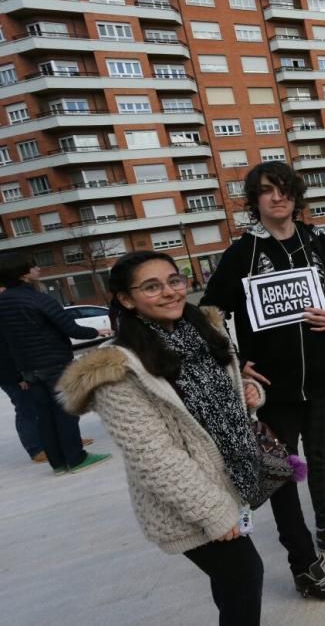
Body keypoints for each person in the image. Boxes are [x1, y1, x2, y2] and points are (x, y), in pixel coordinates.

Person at [58, 251, 270, 625]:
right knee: (244, 574)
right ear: (126, 299)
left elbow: (221, 402)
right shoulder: (118, 369)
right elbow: (152, 457)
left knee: (231, 580)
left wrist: (250, 392)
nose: (170, 292)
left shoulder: (204, 331)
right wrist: (213, 512)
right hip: (186, 501)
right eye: (151, 287)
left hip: (230, 481)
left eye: (174, 280)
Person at [200, 161, 325, 600]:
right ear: (254, 201)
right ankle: (304, 565)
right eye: (267, 191)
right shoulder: (242, 254)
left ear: (296, 194)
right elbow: (207, 317)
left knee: (322, 453)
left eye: (285, 189)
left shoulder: (317, 242)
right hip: (273, 389)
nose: (278, 197)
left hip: (320, 376)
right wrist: (234, 364)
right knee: (282, 473)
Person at [0, 253, 112, 474]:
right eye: (34, 266)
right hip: (53, 363)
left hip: (28, 368)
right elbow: (71, 329)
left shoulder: (2, 303)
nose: (39, 269)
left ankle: (58, 463)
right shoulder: (39, 299)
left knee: (44, 414)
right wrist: (97, 331)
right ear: (23, 273)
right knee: (65, 411)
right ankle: (76, 458)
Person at [0, 310, 44, 463]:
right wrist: (18, 377)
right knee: (26, 409)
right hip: (11, 376)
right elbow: (4, 353)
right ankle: (35, 449)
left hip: (20, 371)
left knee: (37, 407)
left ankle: (59, 440)